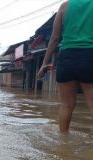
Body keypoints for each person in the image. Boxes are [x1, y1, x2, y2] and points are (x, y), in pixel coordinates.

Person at [38, 0, 93, 133]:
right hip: (89, 56)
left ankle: (63, 143)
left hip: (67, 57)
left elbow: (55, 38)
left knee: (66, 105)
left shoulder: (64, 6)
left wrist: (44, 63)